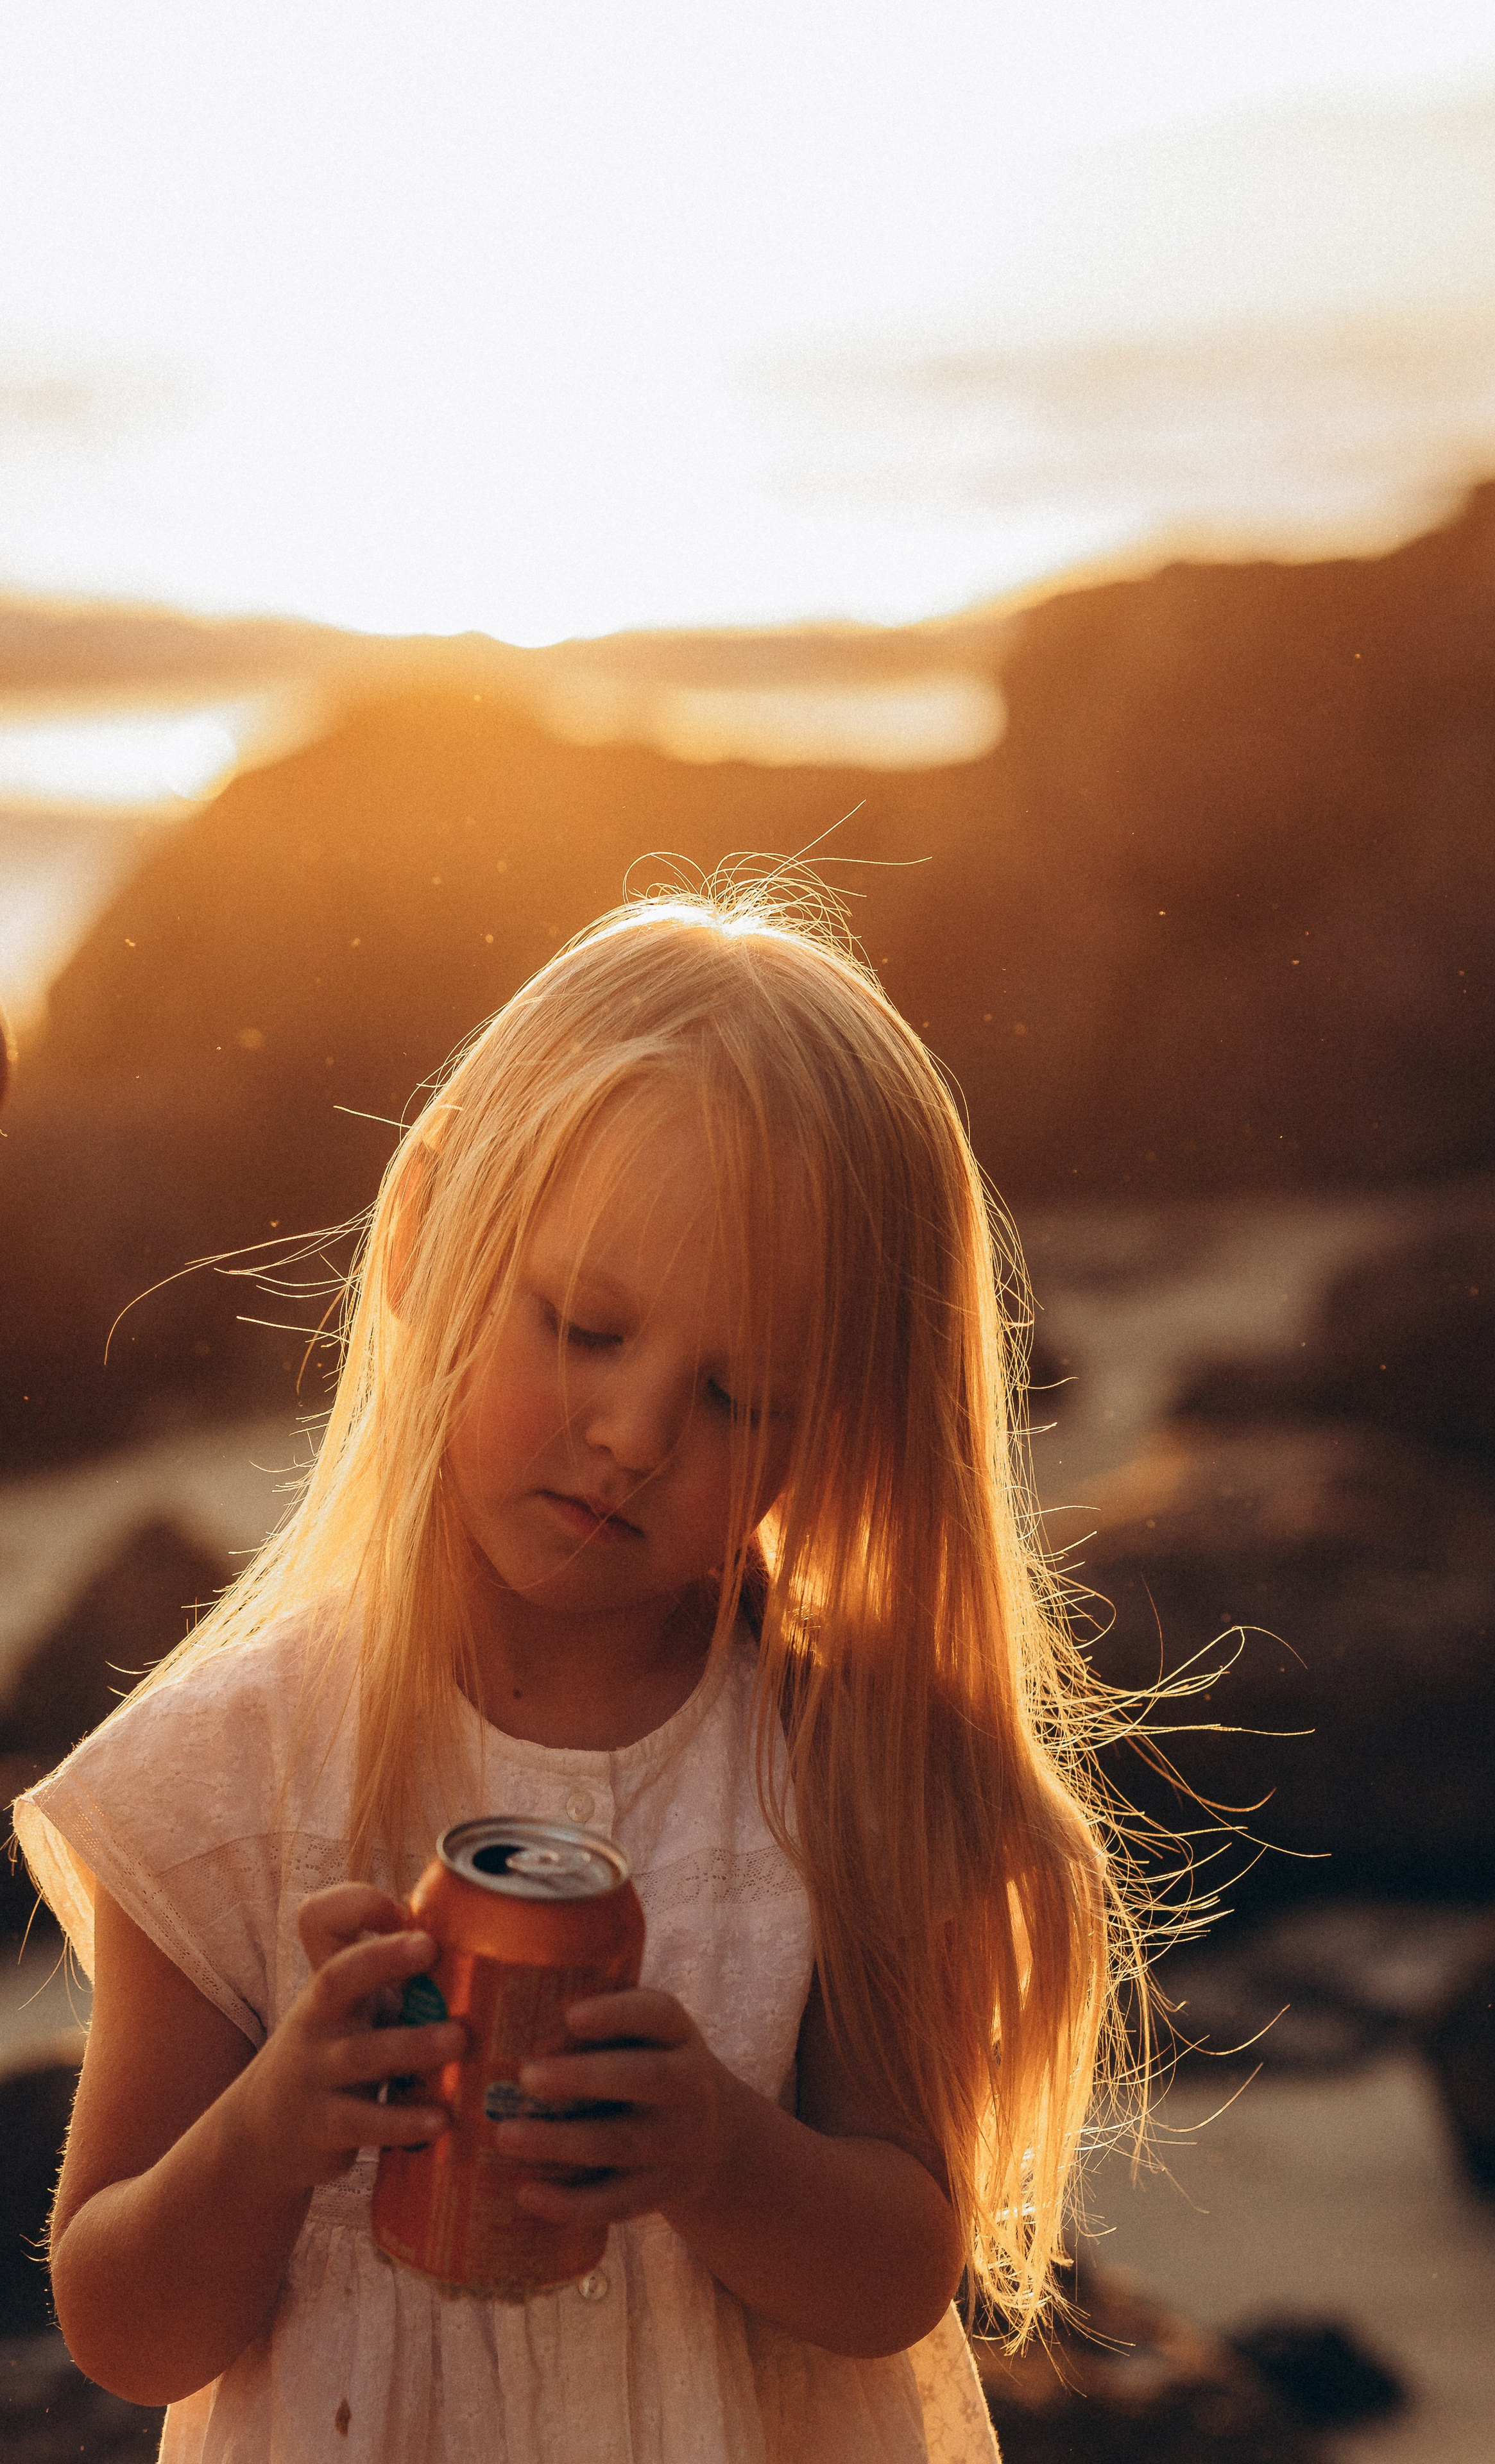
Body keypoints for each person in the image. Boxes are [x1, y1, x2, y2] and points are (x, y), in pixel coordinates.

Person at [15, 877, 1154, 2463]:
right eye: (581, 1324)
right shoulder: (234, 1773)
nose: (635, 1434)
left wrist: (721, 2158)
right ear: (424, 1242)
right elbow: (126, 2330)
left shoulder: (839, 1770)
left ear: (844, 1432)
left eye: (742, 1395)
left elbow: (898, 2268)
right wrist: (274, 2127)